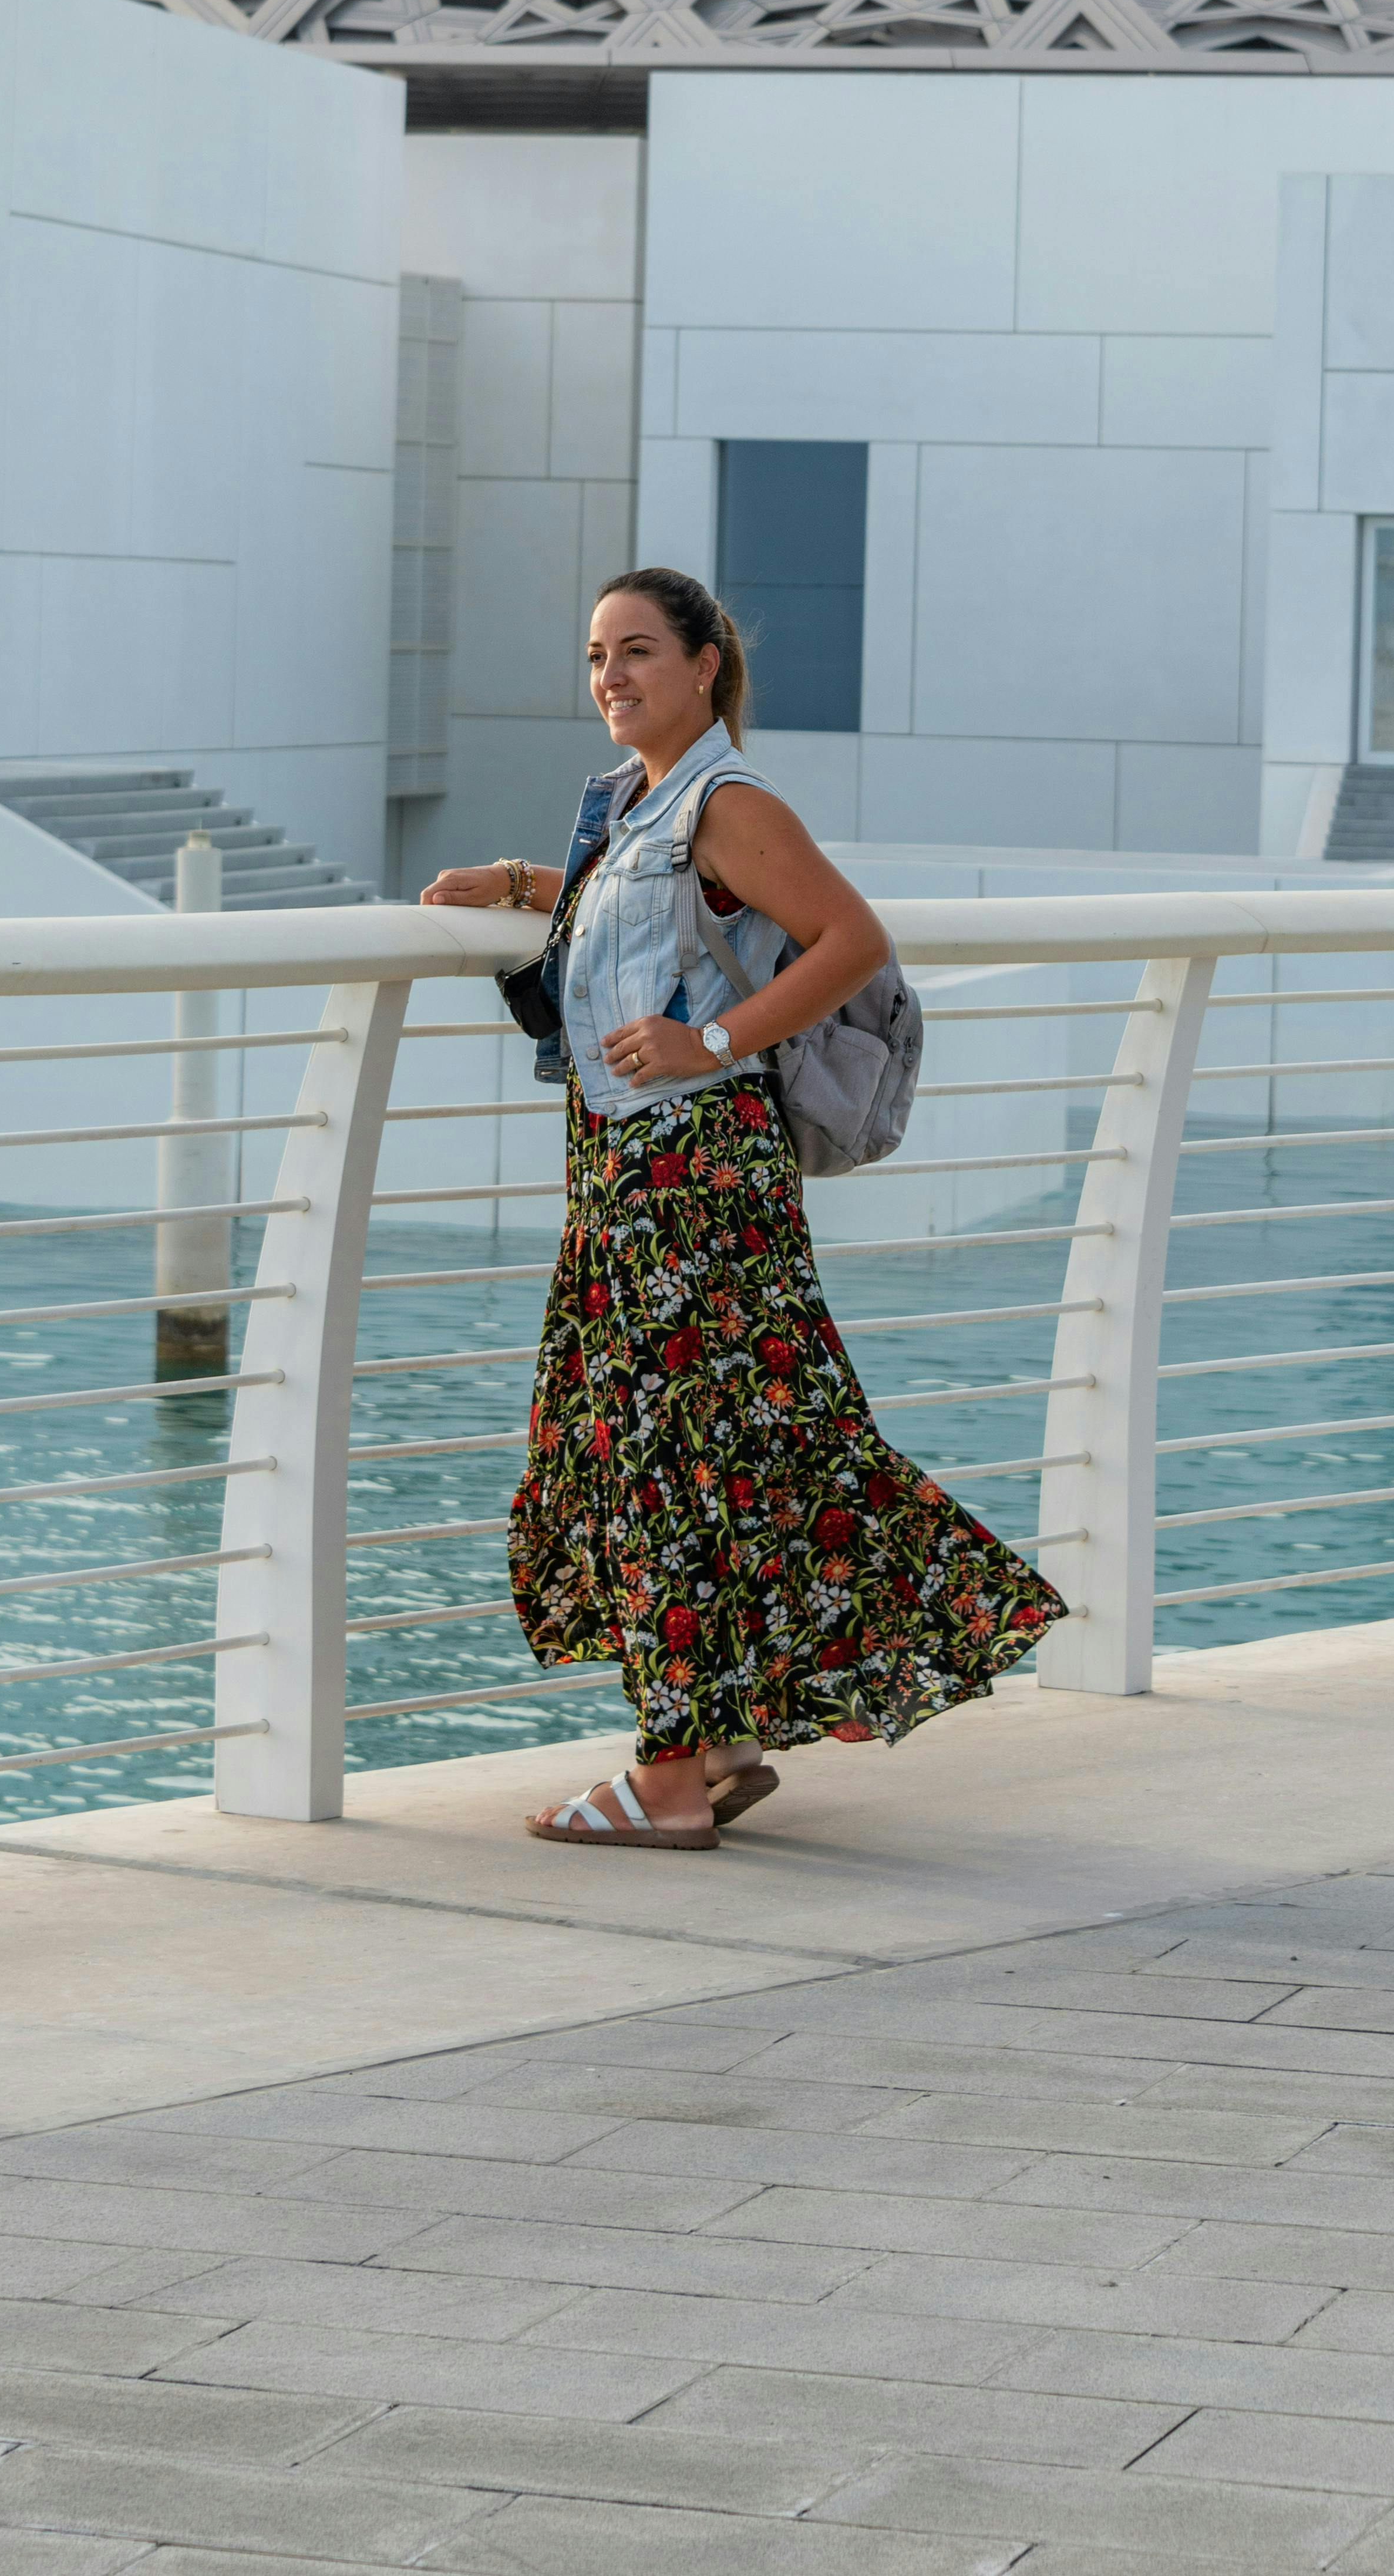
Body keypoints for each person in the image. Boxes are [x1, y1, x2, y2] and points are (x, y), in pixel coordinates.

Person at [421, 563, 1067, 1848]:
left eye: (639, 650)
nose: (611, 676)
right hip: (630, 1172)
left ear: (705, 663)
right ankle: (712, 1733)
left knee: (665, 1462)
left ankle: (667, 1780)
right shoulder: (639, 806)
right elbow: (636, 911)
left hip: (692, 1174)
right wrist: (510, 880)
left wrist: (710, 1038)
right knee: (686, 1453)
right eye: (596, 655)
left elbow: (846, 936)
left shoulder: (726, 797)